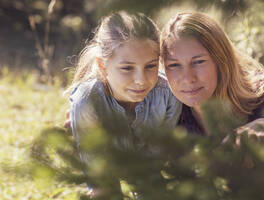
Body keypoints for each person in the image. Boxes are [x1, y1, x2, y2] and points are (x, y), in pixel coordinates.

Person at [66, 11, 182, 197]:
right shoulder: (87, 99)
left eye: (150, 66)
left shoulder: (168, 95)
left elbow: (156, 161)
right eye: (127, 68)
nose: (141, 80)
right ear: (103, 66)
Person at [160, 12, 264, 137]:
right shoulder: (164, 112)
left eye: (198, 62)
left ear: (221, 60)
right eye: (174, 65)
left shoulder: (261, 94)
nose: (188, 78)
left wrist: (263, 126)